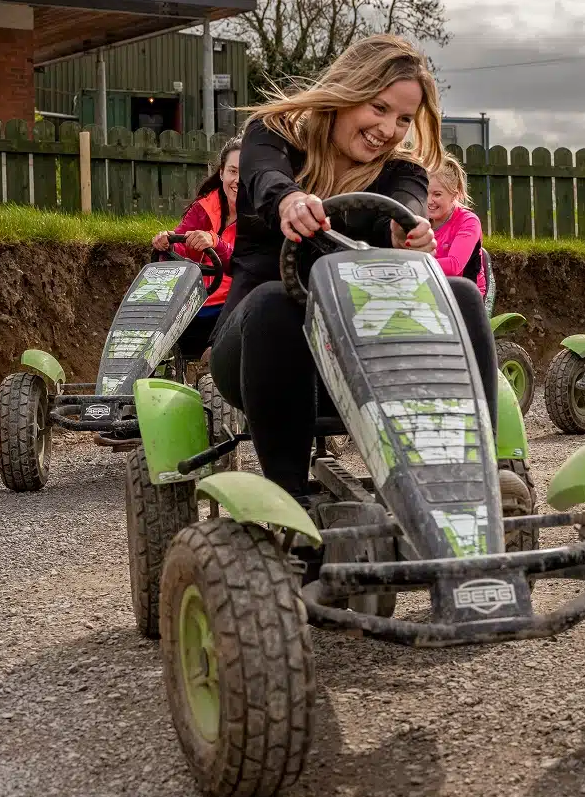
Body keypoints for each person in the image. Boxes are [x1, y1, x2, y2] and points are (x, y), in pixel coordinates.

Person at [209, 34, 499, 501]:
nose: (389, 129)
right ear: (348, 92)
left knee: (462, 295)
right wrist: (289, 202)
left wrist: (406, 233)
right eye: (379, 108)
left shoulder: (403, 171)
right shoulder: (275, 134)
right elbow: (265, 177)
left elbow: (402, 207)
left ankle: (471, 487)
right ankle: (290, 501)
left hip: (362, 359)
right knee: (278, 303)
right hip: (258, 352)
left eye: (404, 119)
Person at [151, 137, 241, 358]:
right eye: (233, 171)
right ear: (221, 173)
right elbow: (180, 252)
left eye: (247, 173)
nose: (238, 180)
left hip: (233, 308)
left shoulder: (262, 216)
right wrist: (167, 243)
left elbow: (249, 264)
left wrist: (217, 243)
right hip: (194, 304)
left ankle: (215, 359)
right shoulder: (203, 208)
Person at [426, 152, 487, 297]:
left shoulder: (468, 221)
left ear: (454, 195)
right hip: (433, 288)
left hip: (466, 294)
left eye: (437, 194)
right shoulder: (420, 219)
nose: (429, 201)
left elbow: (454, 265)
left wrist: (415, 265)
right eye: (425, 193)